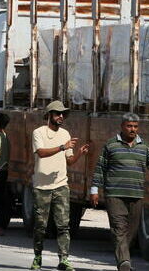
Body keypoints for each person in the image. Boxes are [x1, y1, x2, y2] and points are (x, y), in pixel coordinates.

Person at [90, 113, 149, 271]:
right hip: (114, 194)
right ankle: (124, 263)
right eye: (129, 126)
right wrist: (94, 189)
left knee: (131, 231)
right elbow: (100, 168)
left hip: (136, 195)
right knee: (119, 228)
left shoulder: (144, 147)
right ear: (122, 126)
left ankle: (123, 258)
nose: (132, 129)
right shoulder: (111, 145)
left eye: (135, 126)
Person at [31, 101, 89, 271]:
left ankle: (64, 259)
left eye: (63, 114)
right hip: (42, 187)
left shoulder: (65, 134)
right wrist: (63, 147)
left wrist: (79, 153)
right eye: (57, 113)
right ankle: (37, 257)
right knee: (40, 226)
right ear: (49, 115)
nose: (61, 117)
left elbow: (69, 161)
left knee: (63, 225)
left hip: (61, 186)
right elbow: (41, 153)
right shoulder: (39, 132)